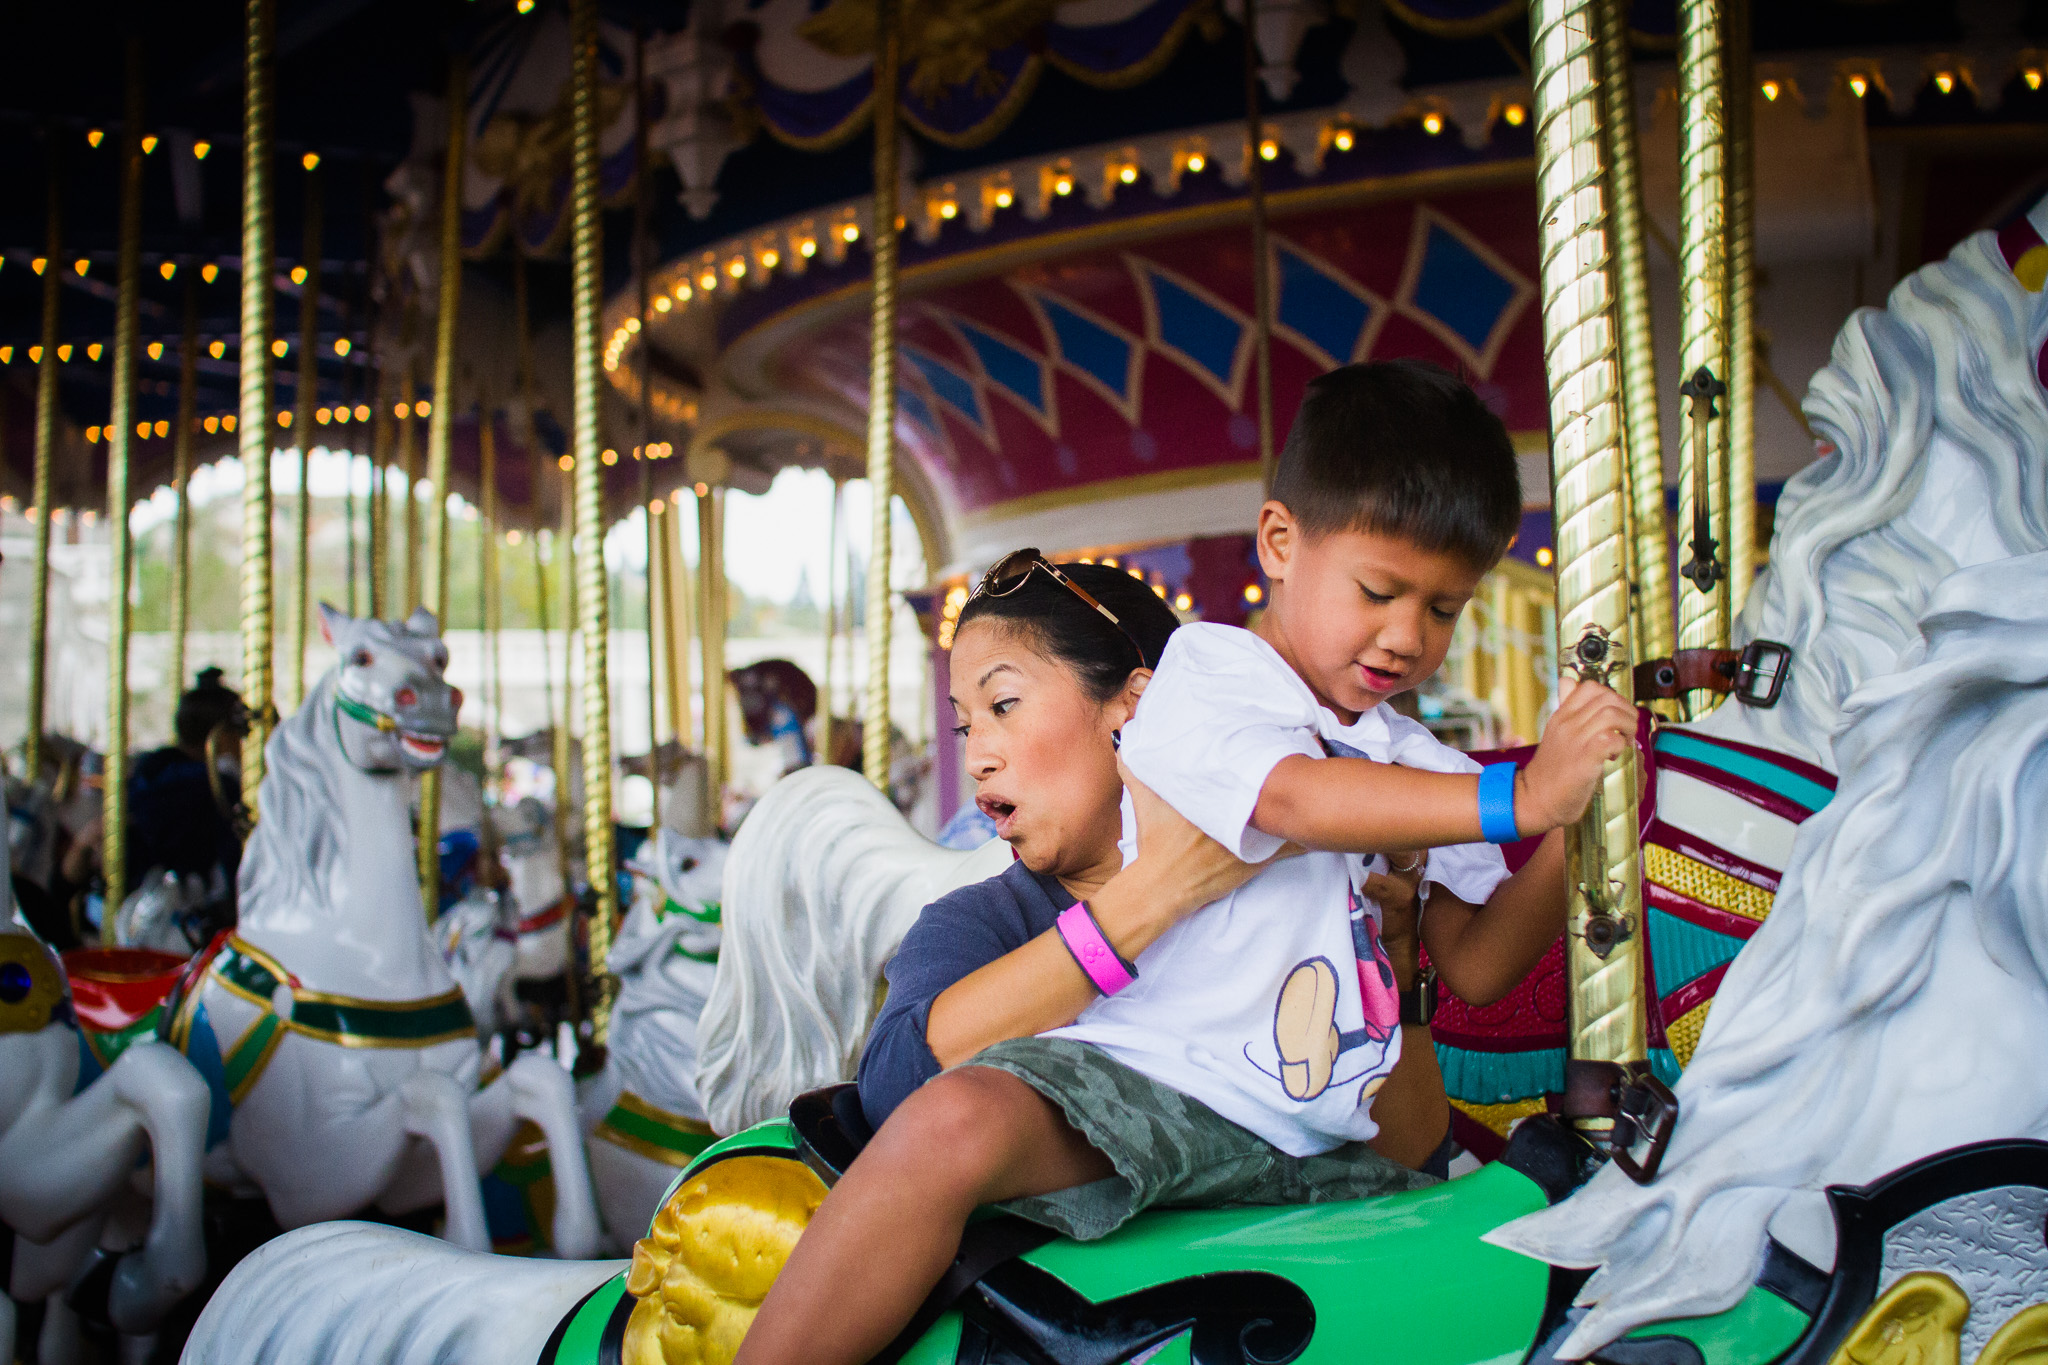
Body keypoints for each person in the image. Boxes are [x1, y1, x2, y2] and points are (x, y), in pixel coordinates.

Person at [740, 360, 1639, 1365]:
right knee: (953, 1121)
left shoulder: (1410, 763)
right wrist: (1516, 798)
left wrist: (1582, 822)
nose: (1405, 636)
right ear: (1279, 545)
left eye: (1441, 609)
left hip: (1327, 1134)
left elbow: (1476, 964)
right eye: (1380, 592)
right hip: (1173, 1092)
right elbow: (1290, 797)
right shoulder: (1213, 678)